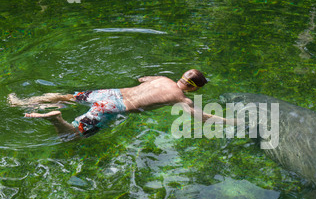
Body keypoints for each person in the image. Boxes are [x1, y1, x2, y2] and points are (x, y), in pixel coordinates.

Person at [8, 69, 235, 139]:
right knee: (74, 136)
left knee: (65, 96)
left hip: (108, 93)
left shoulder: (162, 79)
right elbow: (201, 117)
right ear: (194, 88)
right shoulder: (182, 99)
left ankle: (21, 102)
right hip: (114, 108)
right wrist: (230, 120)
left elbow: (141, 79)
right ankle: (57, 118)